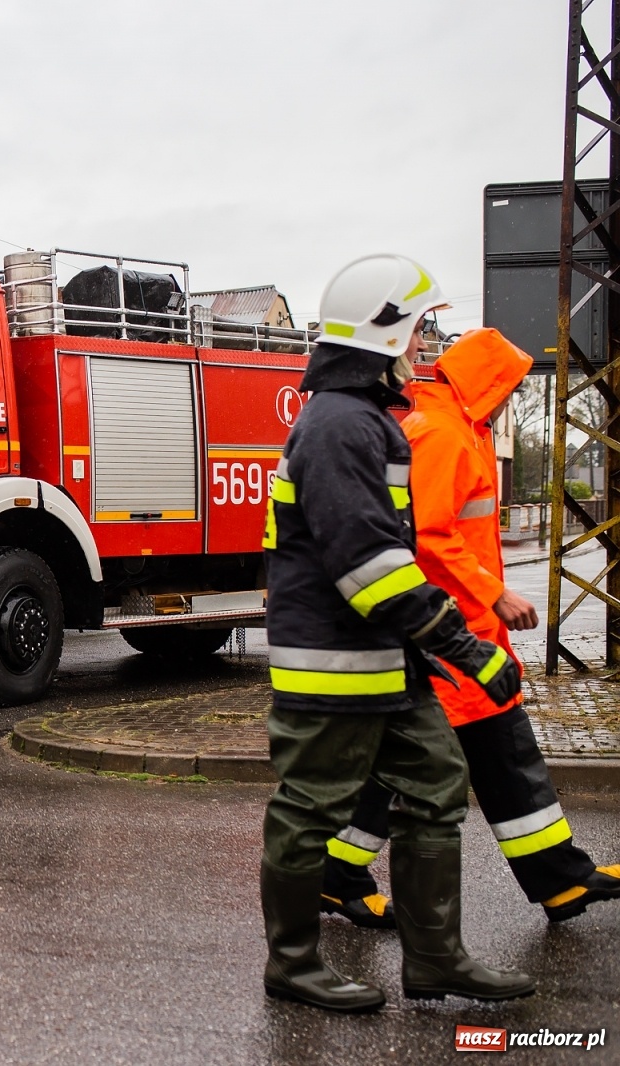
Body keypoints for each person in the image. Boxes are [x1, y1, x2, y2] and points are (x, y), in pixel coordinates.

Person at [260, 254, 533, 1012]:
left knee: (437, 785)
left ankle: (436, 960)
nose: (422, 343)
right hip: (334, 666)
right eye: (415, 328)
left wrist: (431, 648)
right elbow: (370, 569)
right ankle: (292, 965)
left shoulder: (364, 420)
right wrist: (466, 648)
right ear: (380, 333)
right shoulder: (340, 427)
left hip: (382, 659)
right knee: (309, 808)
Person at [321, 329, 620, 926]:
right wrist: (495, 594)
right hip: (446, 636)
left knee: (488, 753)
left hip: (457, 634)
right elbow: (429, 537)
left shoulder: (459, 429)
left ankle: (558, 878)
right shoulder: (443, 434)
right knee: (449, 757)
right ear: (484, 383)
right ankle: (340, 876)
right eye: (507, 385)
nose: (511, 397)